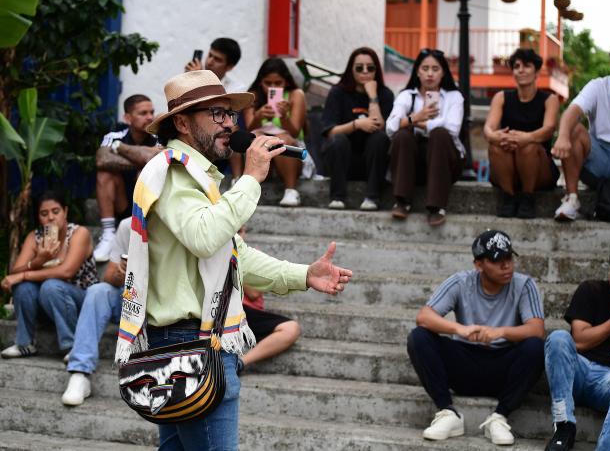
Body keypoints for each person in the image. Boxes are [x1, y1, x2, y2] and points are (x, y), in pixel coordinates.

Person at [116, 70, 353, 450]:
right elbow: (205, 238)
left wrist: (305, 274)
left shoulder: (196, 176)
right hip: (192, 342)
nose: (230, 123)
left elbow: (233, 257)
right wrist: (253, 178)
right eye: (217, 114)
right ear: (182, 122)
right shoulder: (174, 171)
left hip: (185, 344)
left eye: (231, 114)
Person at [407, 230, 544, 445]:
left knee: (536, 346)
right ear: (479, 265)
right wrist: (459, 329)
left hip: (504, 366)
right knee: (419, 337)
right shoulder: (461, 282)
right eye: (497, 260)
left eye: (509, 258)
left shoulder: (524, 285)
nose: (506, 265)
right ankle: (447, 412)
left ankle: (499, 417)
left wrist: (501, 332)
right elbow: (424, 317)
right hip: (465, 362)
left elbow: (536, 329)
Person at [543, 242, 610, 451]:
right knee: (559, 338)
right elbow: (579, 340)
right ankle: (564, 427)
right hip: (576, 370)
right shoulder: (591, 290)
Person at [1, 190, 98, 359]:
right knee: (24, 287)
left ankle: (74, 345)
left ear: (65, 212)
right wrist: (38, 261)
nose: (50, 218)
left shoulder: (78, 233)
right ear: (39, 217)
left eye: (56, 211)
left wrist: (25, 275)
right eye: (44, 214)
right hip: (49, 304)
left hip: (81, 301)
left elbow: (67, 271)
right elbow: (14, 272)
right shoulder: (35, 237)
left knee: (50, 286)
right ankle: (25, 344)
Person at [551, 41, 610, 221]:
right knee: (574, 129)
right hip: (599, 161)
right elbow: (572, 111)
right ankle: (572, 199)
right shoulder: (598, 85)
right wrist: (562, 136)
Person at [386, 48, 465, 226]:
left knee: (440, 135)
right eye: (425, 68)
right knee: (403, 136)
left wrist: (420, 122)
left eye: (435, 69)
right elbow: (390, 127)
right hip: (413, 164)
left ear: (443, 72)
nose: (430, 74)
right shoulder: (407, 96)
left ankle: (437, 206)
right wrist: (416, 117)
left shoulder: (454, 97)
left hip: (445, 163)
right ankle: (402, 201)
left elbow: (452, 129)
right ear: (417, 71)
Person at [61, 217, 132, 406]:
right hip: (129, 303)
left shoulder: (181, 222)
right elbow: (108, 275)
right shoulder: (129, 225)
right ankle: (80, 372)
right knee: (98, 291)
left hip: (159, 308)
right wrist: (118, 274)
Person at [484, 48, 560, 219]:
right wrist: (494, 136)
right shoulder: (501, 97)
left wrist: (526, 138)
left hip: (539, 170)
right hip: (508, 169)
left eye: (527, 66)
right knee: (496, 147)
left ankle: (527, 198)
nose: (521, 70)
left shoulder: (550, 99)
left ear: (537, 71)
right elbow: (489, 128)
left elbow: (548, 130)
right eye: (517, 66)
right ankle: (509, 197)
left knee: (528, 147)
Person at [321, 47, 394, 211]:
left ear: (377, 70)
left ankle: (372, 197)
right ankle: (337, 197)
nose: (365, 71)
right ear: (351, 70)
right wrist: (356, 125)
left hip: (373, 163)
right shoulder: (338, 92)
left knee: (379, 138)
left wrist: (372, 96)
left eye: (370, 67)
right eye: (359, 68)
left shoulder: (385, 94)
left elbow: (380, 126)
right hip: (341, 162)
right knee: (338, 139)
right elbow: (330, 131)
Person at [94, 94, 162, 262]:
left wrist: (120, 149)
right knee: (105, 174)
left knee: (144, 173)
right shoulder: (114, 136)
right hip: (123, 202)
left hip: (152, 208)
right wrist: (141, 159)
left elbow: (155, 158)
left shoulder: (159, 138)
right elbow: (102, 160)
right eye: (143, 113)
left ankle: (148, 227)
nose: (150, 117)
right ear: (127, 117)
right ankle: (109, 234)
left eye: (151, 112)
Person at [238, 57, 308, 207]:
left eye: (278, 83)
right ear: (260, 82)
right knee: (256, 137)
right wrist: (258, 117)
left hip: (291, 152)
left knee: (283, 138)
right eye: (268, 83)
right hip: (264, 155)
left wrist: (283, 117)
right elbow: (249, 130)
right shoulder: (254, 96)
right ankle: (250, 190)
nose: (272, 88)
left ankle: (291, 190)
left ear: (287, 81)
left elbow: (294, 132)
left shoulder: (296, 95)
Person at [237, 226, 301, 371]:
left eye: (241, 231)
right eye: (234, 231)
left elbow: (254, 293)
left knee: (291, 328)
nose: (238, 235)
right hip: (222, 311)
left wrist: (233, 257)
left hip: (247, 314)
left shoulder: (251, 255)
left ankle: (240, 364)